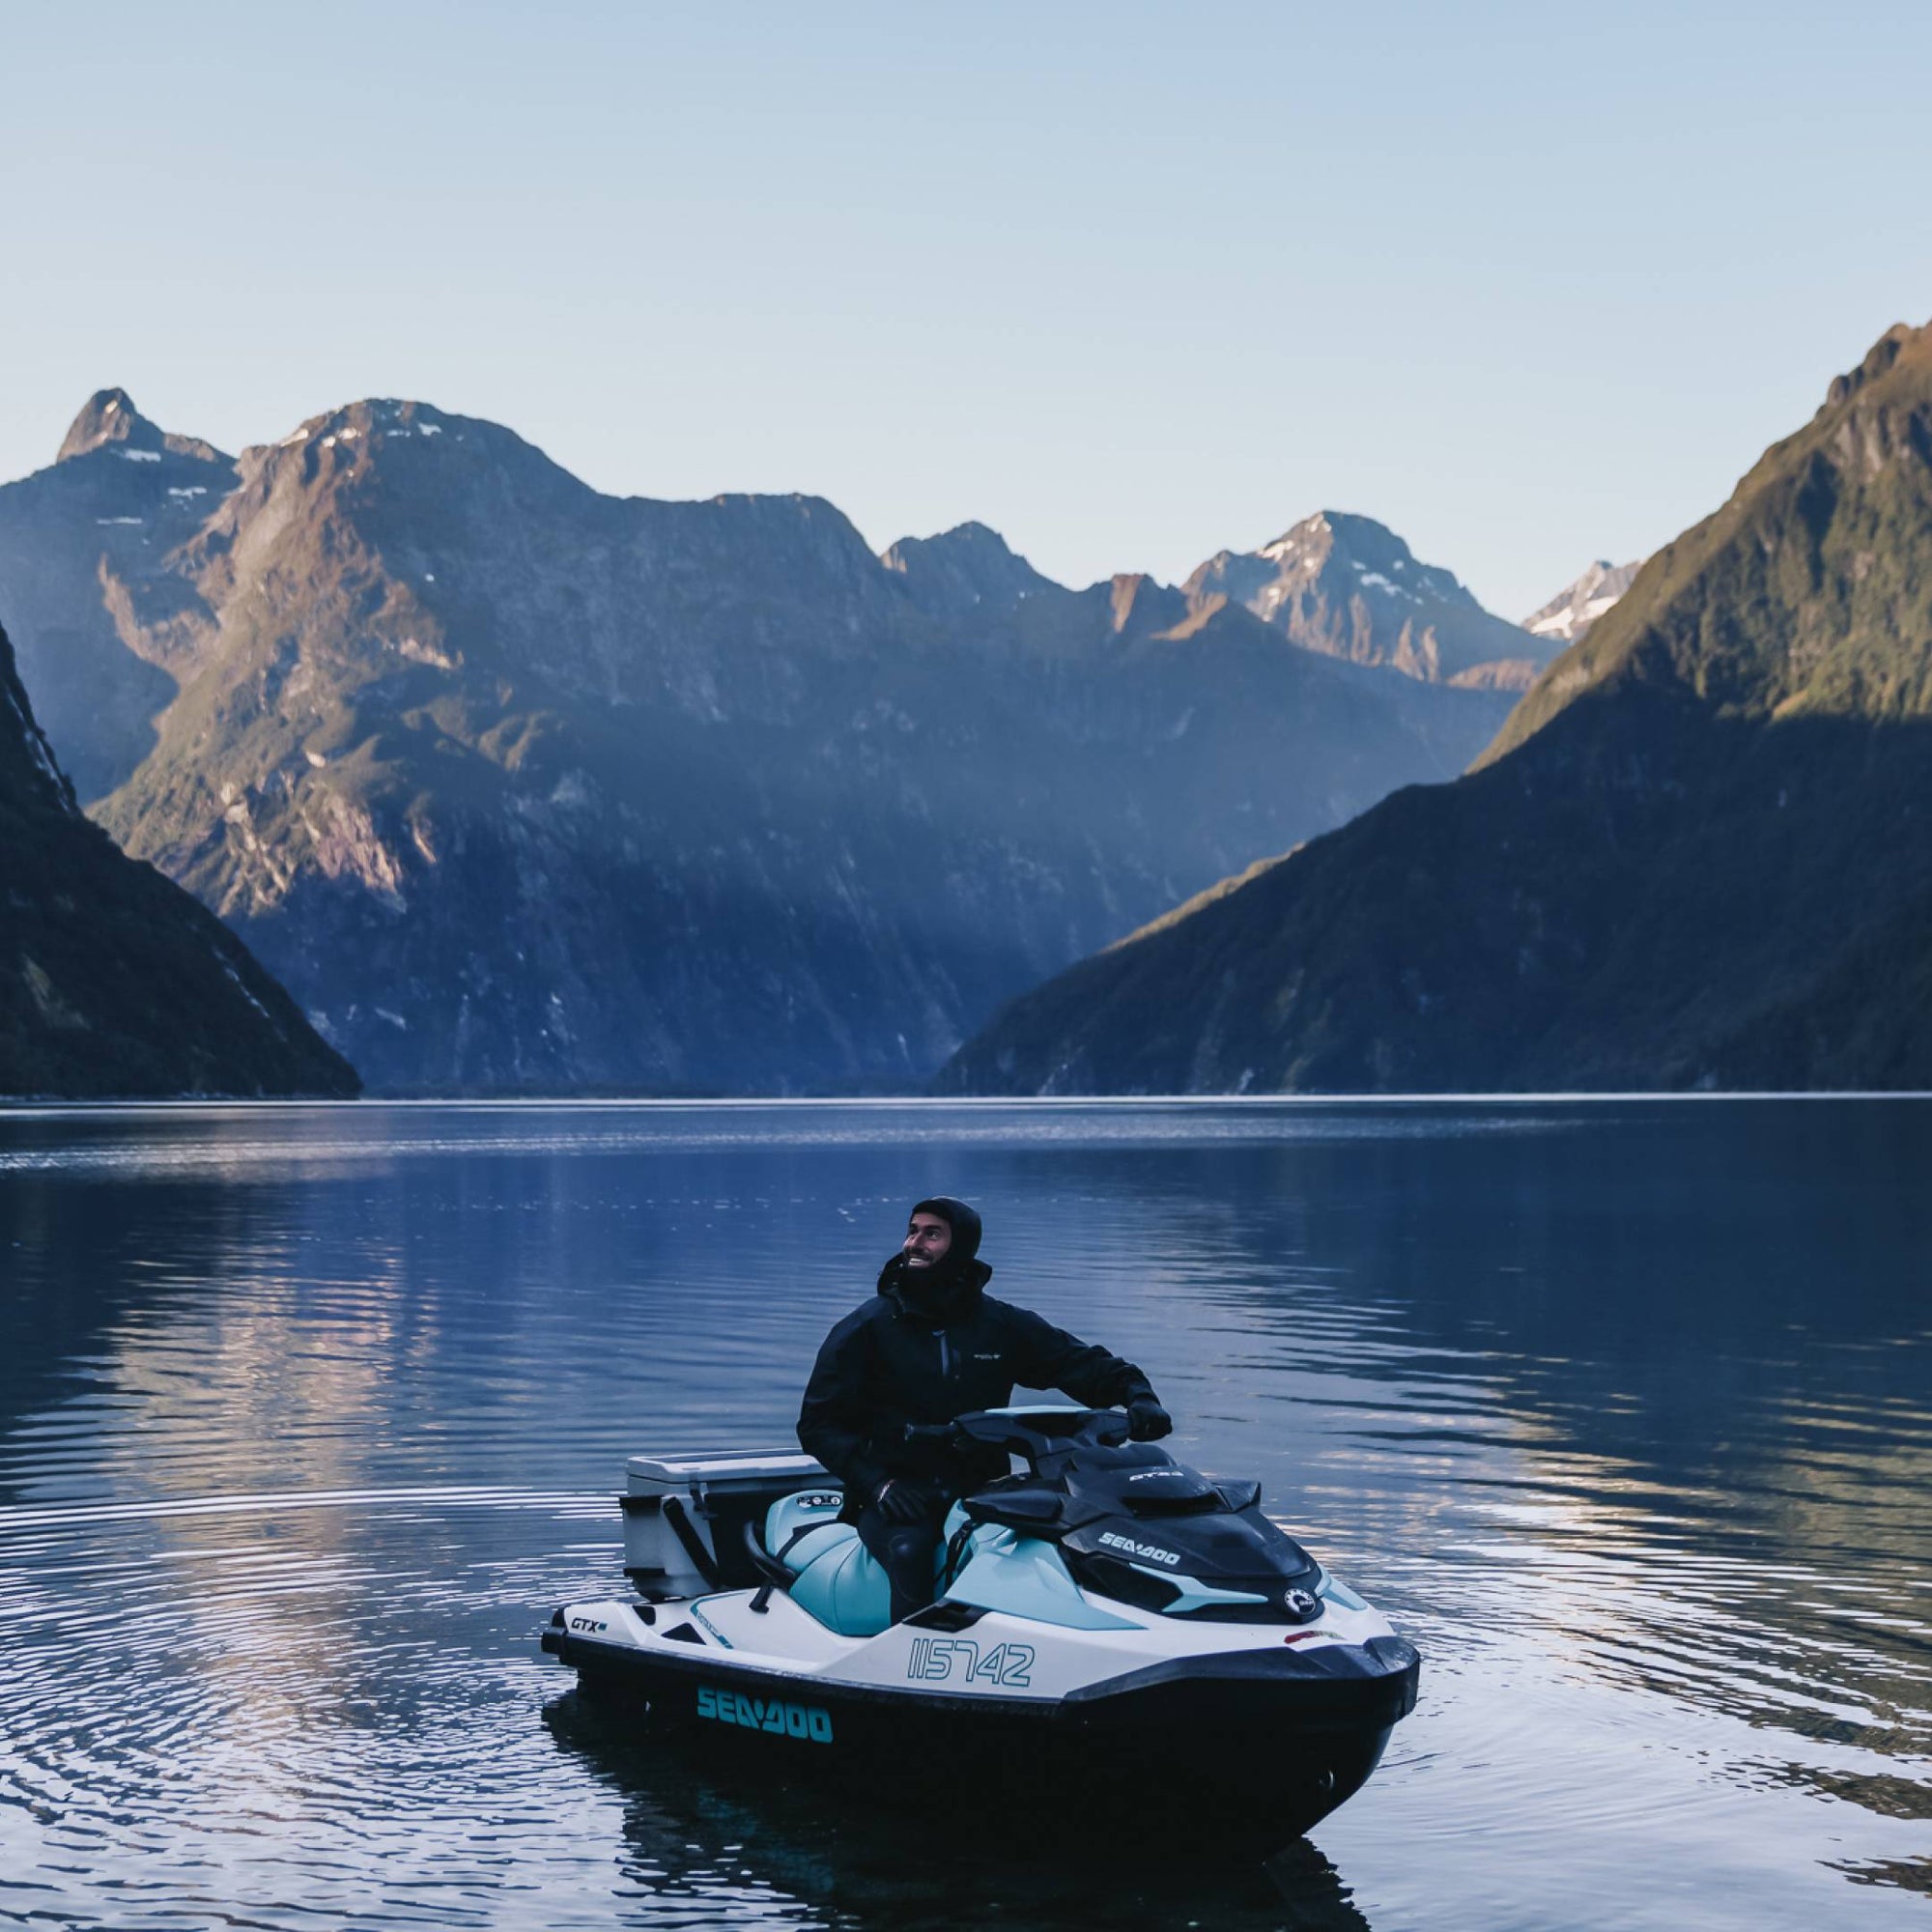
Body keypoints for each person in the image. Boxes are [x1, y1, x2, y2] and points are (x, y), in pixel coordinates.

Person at [796, 1196, 1172, 1625]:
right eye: (912, 1231)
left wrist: (1138, 1396)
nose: (914, 1243)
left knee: (1071, 1541)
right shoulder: (865, 1328)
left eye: (931, 1234)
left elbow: (1080, 1364)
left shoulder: (1001, 1325)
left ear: (961, 1248)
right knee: (911, 1552)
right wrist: (878, 1484)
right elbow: (818, 1425)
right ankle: (907, 1668)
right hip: (897, 1496)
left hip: (984, 1488)